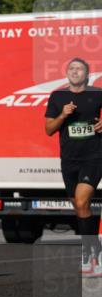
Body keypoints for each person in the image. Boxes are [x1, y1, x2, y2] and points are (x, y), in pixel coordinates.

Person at [44, 57, 102, 275]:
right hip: (69, 160)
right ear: (67, 73)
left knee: (81, 200)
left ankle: (88, 254)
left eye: (79, 69)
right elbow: (49, 129)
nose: (75, 71)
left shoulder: (97, 94)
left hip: (94, 157)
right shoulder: (58, 97)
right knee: (79, 207)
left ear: (87, 74)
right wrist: (63, 114)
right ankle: (96, 246)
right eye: (71, 68)